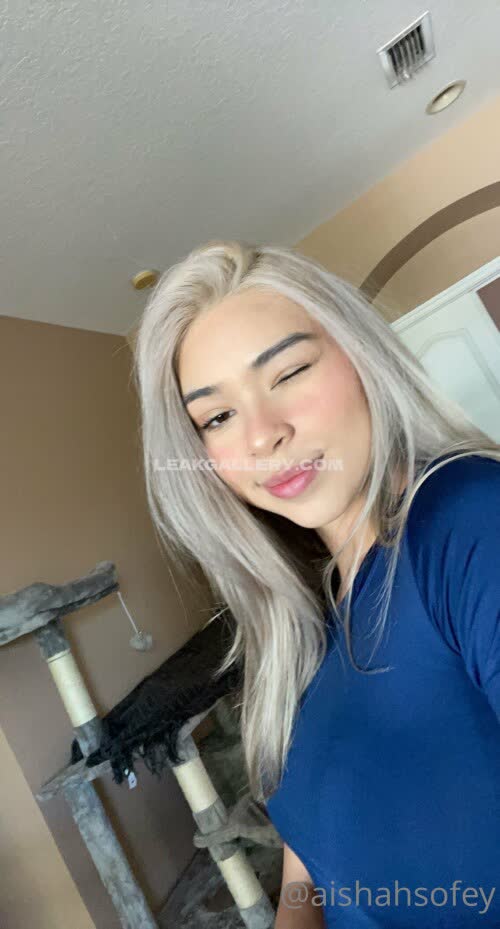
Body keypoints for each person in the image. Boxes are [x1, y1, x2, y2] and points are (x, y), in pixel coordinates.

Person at [133, 240, 500, 928]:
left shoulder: (468, 520)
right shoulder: (304, 621)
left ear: (363, 356)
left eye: (290, 370)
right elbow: (311, 868)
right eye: (217, 417)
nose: (263, 435)